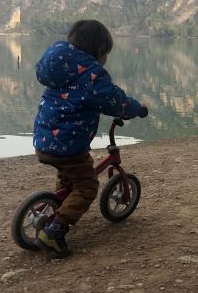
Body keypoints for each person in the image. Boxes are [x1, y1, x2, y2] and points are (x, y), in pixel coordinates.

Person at [33, 20, 148, 257]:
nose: (106, 59)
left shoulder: (58, 68)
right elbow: (115, 101)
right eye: (106, 53)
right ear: (98, 52)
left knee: (69, 176)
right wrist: (136, 109)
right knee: (87, 187)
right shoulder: (91, 76)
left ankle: (61, 205)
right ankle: (55, 231)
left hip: (44, 141)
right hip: (69, 146)